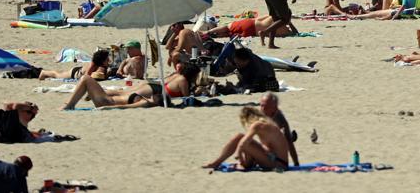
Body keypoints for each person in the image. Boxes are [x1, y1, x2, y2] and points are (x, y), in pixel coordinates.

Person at [61, 62, 199, 109]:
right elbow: (187, 96)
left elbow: (125, 106)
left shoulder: (177, 76)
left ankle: (71, 104)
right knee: (123, 95)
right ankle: (71, 104)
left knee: (122, 94)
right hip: (153, 89)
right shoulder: (183, 81)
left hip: (152, 85)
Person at [203, 106, 290, 172]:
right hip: (279, 161)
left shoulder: (257, 125)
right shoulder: (267, 123)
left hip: (277, 165)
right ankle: (219, 162)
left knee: (241, 138)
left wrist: (239, 156)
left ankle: (217, 163)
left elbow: (242, 144)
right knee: (242, 137)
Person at [37, 49, 110, 81]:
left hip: (79, 70)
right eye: (107, 59)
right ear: (102, 60)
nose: (109, 60)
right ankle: (44, 72)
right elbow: (86, 76)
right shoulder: (93, 64)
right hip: (74, 73)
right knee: (57, 75)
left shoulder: (101, 65)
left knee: (59, 73)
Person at [203, 16, 291, 40]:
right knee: (229, 34)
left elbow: (257, 18)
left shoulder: (271, 17)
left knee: (227, 28)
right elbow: (294, 32)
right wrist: (290, 24)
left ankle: (207, 33)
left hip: (250, 23)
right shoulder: (283, 31)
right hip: (251, 32)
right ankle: (216, 36)